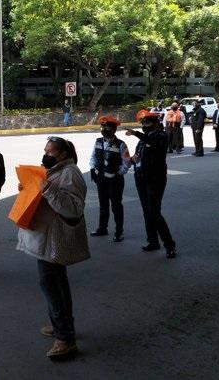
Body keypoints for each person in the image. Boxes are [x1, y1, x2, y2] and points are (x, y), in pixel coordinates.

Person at [16, 136, 88, 360]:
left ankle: (65, 339)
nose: (45, 155)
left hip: (53, 241)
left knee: (53, 287)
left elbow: (73, 209)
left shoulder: (71, 173)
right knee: (56, 285)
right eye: (45, 150)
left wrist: (46, 189)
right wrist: (29, 188)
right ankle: (62, 327)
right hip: (45, 239)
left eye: (51, 152)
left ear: (63, 155)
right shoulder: (54, 170)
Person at [126, 111, 176, 259]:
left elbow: (151, 143)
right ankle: (152, 241)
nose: (144, 126)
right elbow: (139, 154)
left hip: (155, 179)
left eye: (147, 123)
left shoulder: (161, 135)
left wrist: (135, 133)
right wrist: (133, 159)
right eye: (143, 123)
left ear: (155, 123)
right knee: (146, 211)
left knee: (154, 212)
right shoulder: (144, 139)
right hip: (141, 177)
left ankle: (169, 245)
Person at [89, 116, 131, 241]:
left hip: (115, 181)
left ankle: (119, 232)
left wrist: (118, 173)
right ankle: (102, 228)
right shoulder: (98, 141)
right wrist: (92, 169)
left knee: (116, 206)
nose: (104, 130)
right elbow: (93, 157)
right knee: (103, 205)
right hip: (101, 179)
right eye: (102, 127)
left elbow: (126, 162)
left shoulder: (121, 144)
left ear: (113, 130)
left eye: (107, 127)